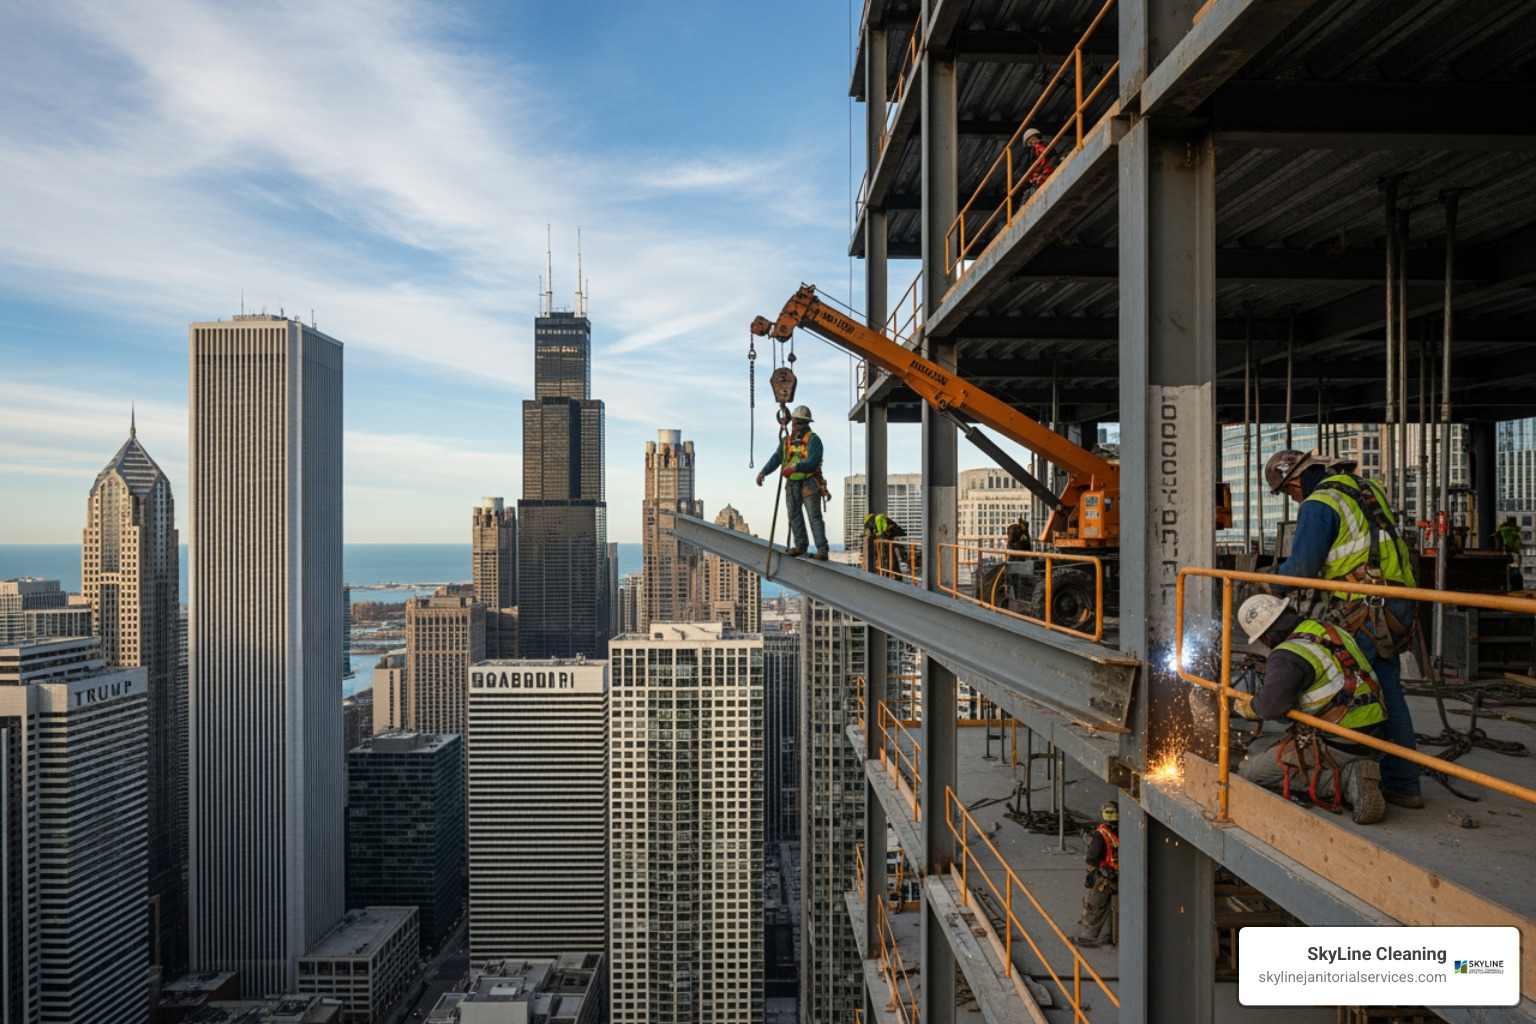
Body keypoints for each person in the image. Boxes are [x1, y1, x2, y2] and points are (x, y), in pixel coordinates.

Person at [1263, 449, 1422, 809]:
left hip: (1365, 607)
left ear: (1297, 480)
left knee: (1342, 689)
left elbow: (1302, 567)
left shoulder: (1319, 503)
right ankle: (1403, 782)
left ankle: (1340, 774)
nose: (1294, 498)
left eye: (1290, 492)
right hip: (1394, 603)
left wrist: (1270, 583)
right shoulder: (1367, 488)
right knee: (1385, 689)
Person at [1233, 594, 1388, 824]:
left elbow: (1269, 707)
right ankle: (1358, 770)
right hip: (1376, 734)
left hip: (1342, 742)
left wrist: (1249, 706)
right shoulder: (1328, 629)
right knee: (1266, 747)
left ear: (1265, 637)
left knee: (1249, 772)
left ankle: (1347, 780)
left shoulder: (1288, 654)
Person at [756, 406, 830, 560]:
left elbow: (812, 461)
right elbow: (776, 458)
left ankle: (822, 549)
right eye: (795, 423)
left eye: (800, 423)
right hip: (792, 485)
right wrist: (763, 472)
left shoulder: (813, 440)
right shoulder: (787, 441)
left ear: (806, 424)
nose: (796, 426)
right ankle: (800, 546)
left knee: (814, 516)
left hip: (809, 482)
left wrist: (795, 468)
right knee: (794, 515)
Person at [1076, 803, 1118, 947]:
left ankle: (1088, 937)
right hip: (1111, 875)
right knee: (1101, 906)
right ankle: (1096, 936)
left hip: (1106, 877)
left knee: (1094, 906)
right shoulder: (1110, 833)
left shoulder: (1101, 834)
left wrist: (1092, 875)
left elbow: (1091, 859)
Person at [862, 511, 908, 576]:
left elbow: (880, 533)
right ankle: (894, 570)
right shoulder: (876, 519)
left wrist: (879, 535)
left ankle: (890, 572)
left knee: (887, 556)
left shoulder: (878, 519)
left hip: (889, 535)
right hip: (891, 535)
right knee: (889, 555)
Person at [1494, 516, 1525, 591]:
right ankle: (1516, 589)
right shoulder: (1511, 532)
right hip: (1512, 552)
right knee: (1515, 573)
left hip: (1504, 553)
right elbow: (1515, 543)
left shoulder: (1500, 530)